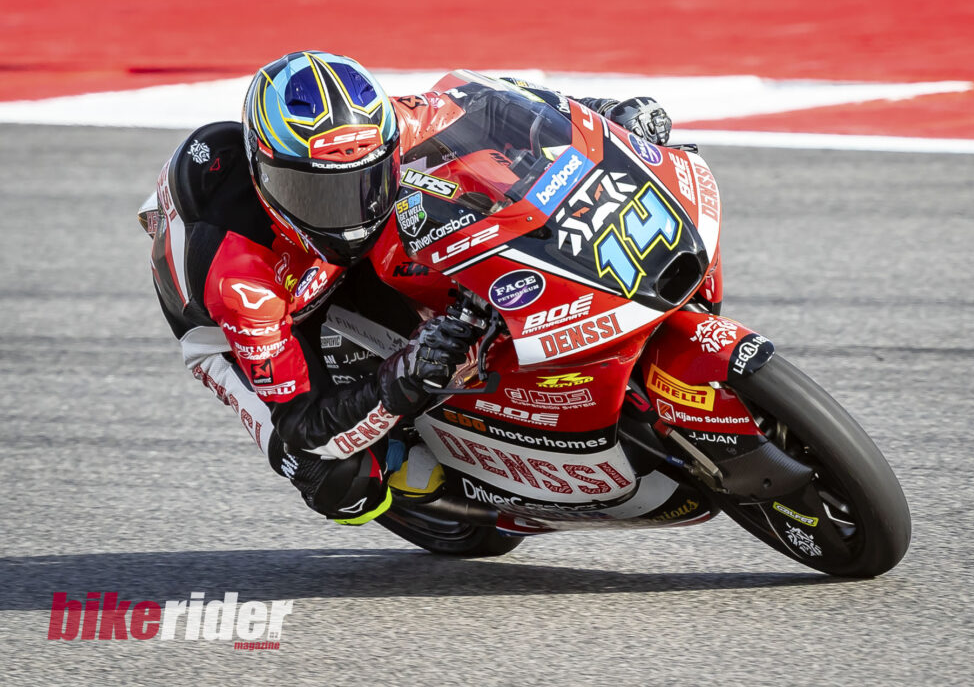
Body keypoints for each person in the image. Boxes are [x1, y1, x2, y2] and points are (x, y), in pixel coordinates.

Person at [139, 51, 672, 526]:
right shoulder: (239, 280)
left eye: (363, 181)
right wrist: (404, 378)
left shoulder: (380, 125)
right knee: (333, 475)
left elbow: (498, 103)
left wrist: (606, 115)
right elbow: (305, 424)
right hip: (246, 316)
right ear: (265, 175)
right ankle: (417, 480)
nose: (346, 213)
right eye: (314, 193)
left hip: (330, 260)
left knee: (463, 194)